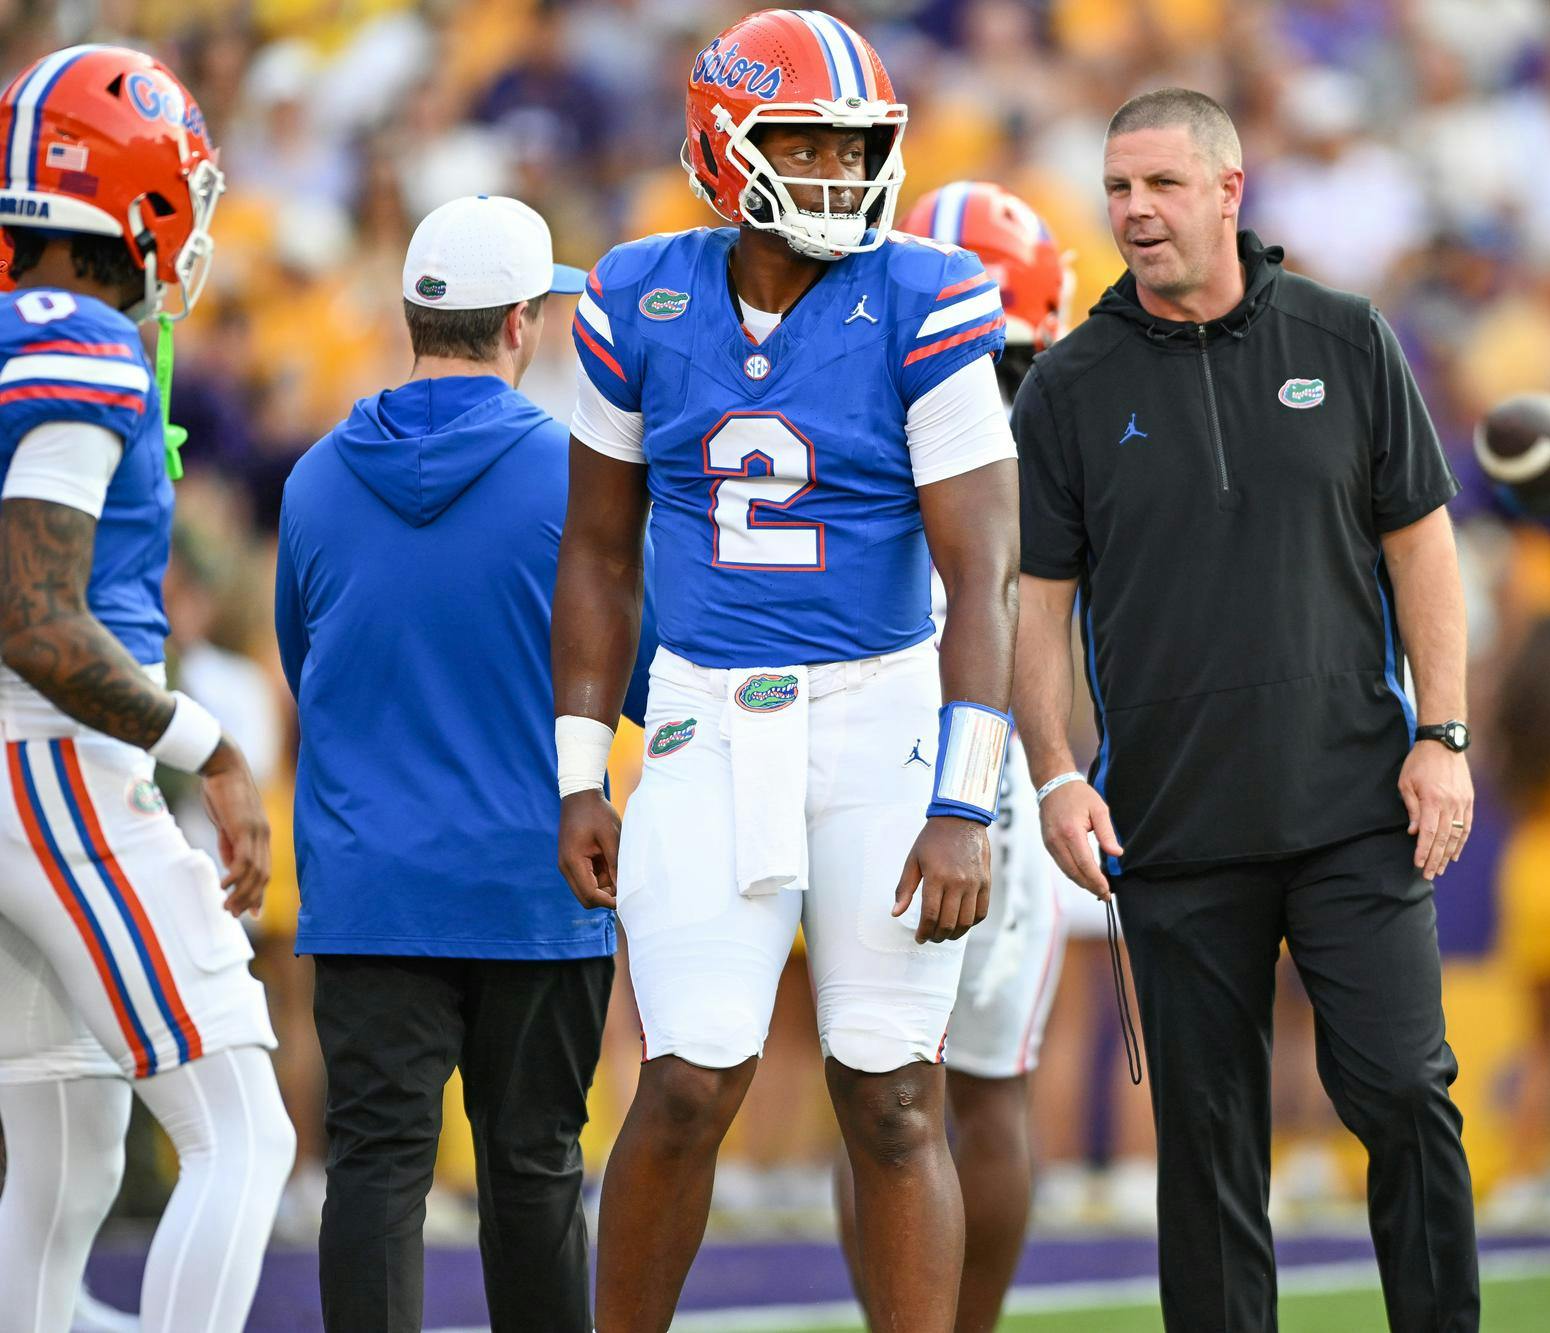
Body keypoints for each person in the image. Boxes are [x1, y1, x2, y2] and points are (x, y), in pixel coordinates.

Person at [551, 12, 1019, 1330]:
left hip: (888, 716)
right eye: (803, 142)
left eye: (855, 146)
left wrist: (966, 798)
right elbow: (594, 554)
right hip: (705, 712)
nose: (835, 172)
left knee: (894, 1094)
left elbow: (982, 573)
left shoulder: (923, 296)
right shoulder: (638, 295)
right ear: (724, 144)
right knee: (690, 1078)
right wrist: (583, 770)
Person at [1010, 89, 1480, 1331]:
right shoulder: (1064, 386)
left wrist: (1442, 737)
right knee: (1208, 1149)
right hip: (1171, 828)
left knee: (1403, 1093)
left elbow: (1423, 551)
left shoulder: (1345, 336)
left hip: (1354, 806)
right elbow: (1035, 608)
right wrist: (1054, 772)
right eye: (1116, 188)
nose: (1133, 211)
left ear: (1229, 190)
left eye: (1160, 184)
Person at [274, 195, 644, 1333]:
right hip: (531, 880)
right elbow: (639, 678)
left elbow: (305, 664)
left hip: (371, 885)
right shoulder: (578, 481)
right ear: (524, 323)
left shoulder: (315, 479)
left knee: (376, 1169)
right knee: (532, 1173)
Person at [0, 45, 294, 1332]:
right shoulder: (85, 349)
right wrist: (210, 746)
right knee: (243, 1129)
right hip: (51, 761)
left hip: (29, 765)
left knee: (67, 1161)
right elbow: (31, 617)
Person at [829, 179, 1072, 1333]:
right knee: (976, 1092)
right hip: (997, 771)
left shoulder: (856, 377)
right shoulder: (1049, 425)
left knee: (880, 1086)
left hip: (871, 749)